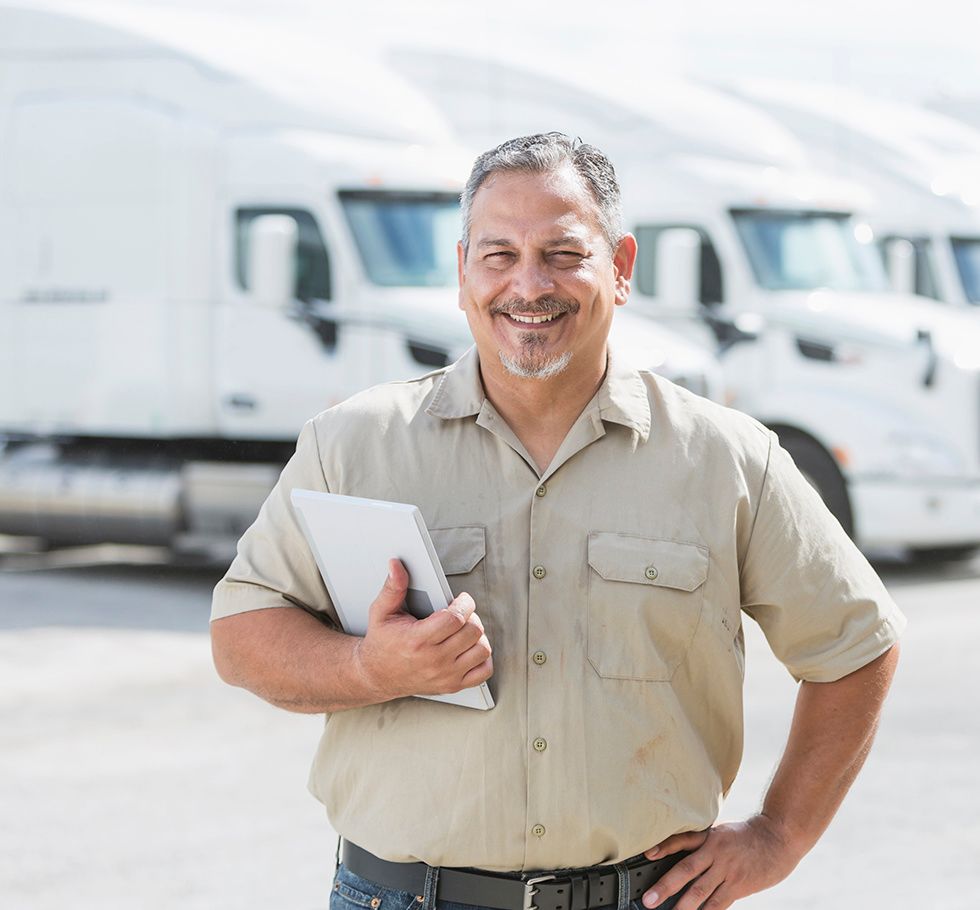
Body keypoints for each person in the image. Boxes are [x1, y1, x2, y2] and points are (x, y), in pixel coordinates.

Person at [210, 132, 904, 910]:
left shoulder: (729, 460)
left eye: (563, 253)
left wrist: (779, 837)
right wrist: (373, 669)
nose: (528, 285)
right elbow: (243, 633)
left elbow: (857, 645)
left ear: (622, 267)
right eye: (499, 255)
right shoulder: (353, 444)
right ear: (463, 270)